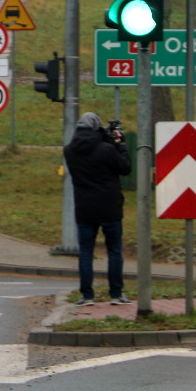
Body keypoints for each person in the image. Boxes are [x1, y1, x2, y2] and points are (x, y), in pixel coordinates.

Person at [62, 112, 131, 307]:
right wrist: (119, 145)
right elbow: (125, 168)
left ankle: (87, 295)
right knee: (114, 250)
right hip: (110, 207)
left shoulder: (69, 151)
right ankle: (116, 294)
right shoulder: (107, 149)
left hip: (85, 209)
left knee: (85, 252)